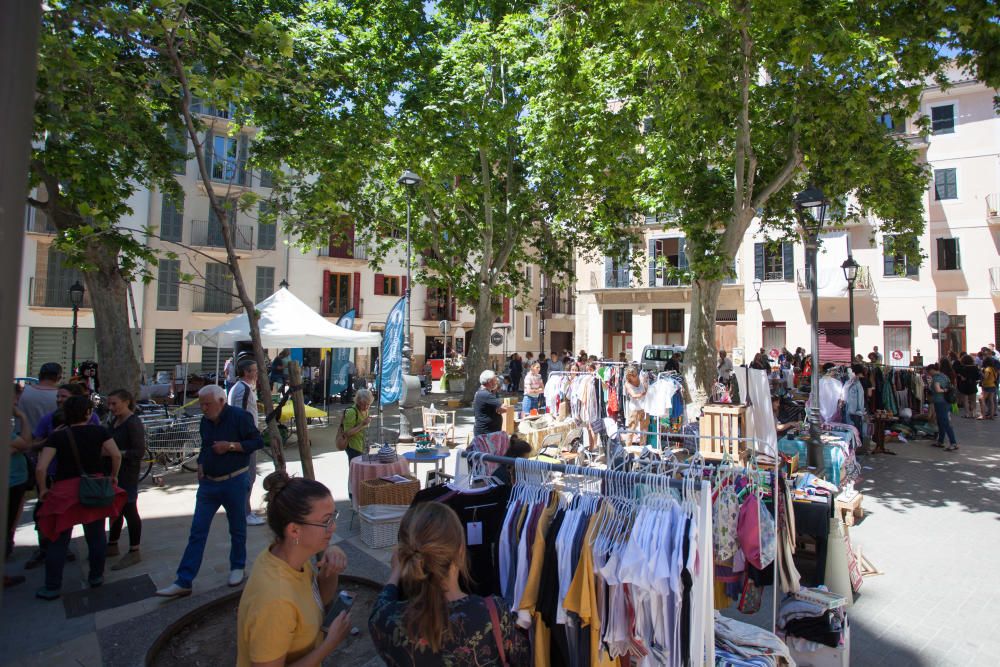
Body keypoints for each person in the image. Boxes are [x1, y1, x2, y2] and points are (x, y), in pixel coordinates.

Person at [369, 503, 529, 665]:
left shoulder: (387, 620)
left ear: (407, 556)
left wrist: (396, 571)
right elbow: (523, 659)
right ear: (460, 551)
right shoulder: (494, 613)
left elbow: (382, 603)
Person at [156, 384, 265, 597]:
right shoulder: (205, 421)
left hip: (234, 480)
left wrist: (231, 446)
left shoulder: (240, 417)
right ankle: (184, 580)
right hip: (209, 484)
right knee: (198, 530)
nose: (204, 408)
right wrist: (201, 464)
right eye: (201, 404)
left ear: (222, 402)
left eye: (207, 404)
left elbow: (257, 442)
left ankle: (237, 566)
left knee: (237, 528)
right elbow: (205, 445)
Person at [236, 472, 351, 666]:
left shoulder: (287, 557)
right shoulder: (276, 600)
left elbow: (318, 600)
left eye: (333, 517)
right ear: (294, 530)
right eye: (326, 521)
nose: (333, 527)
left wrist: (330, 570)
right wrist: (329, 644)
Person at [34, 395, 122, 599]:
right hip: (94, 487)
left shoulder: (58, 436)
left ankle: (52, 586)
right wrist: (114, 476)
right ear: (88, 413)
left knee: (58, 540)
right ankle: (96, 577)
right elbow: (116, 455)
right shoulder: (100, 431)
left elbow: (41, 467)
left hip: (65, 491)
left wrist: (42, 490)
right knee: (97, 535)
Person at [106, 389, 146, 570]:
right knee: (116, 510)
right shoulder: (114, 420)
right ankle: (112, 544)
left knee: (129, 509)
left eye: (114, 403)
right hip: (114, 473)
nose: (111, 407)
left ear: (127, 402)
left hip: (127, 473)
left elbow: (138, 452)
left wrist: (116, 454)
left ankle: (134, 550)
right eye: (110, 404)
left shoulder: (133, 423)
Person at [228, 361, 266, 527]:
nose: (257, 374)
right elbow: (240, 415)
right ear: (246, 372)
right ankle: (245, 513)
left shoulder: (243, 388)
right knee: (247, 477)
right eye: (254, 371)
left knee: (247, 477)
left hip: (244, 439)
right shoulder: (242, 389)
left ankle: (244, 510)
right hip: (245, 440)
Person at [18, 362, 61, 435]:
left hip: (20, 440)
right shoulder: (61, 397)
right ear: (58, 378)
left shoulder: (21, 393)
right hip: (48, 441)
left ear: (39, 375)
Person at [929, 363, 959, 451]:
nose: (928, 374)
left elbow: (937, 389)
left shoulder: (936, 378)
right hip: (946, 401)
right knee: (941, 422)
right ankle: (940, 441)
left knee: (944, 422)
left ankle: (953, 443)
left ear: (932, 370)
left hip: (940, 402)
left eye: (928, 372)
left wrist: (944, 390)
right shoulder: (944, 376)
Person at [340, 388, 373, 462]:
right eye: (363, 404)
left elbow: (365, 429)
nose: (365, 407)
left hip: (363, 445)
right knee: (356, 471)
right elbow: (346, 433)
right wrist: (362, 424)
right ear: (357, 401)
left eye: (368, 404)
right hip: (354, 447)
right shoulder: (352, 412)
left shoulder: (366, 410)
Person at [473, 370, 508, 436]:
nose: (496, 382)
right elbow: (505, 408)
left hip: (488, 432)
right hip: (486, 433)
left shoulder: (483, 392)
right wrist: (499, 409)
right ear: (490, 382)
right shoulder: (486, 394)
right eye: (495, 380)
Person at [623, 365, 649, 445]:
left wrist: (646, 383)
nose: (635, 376)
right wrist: (643, 394)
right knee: (632, 428)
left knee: (644, 429)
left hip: (644, 407)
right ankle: (628, 448)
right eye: (633, 375)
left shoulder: (641, 379)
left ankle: (642, 446)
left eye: (636, 374)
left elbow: (646, 388)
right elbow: (633, 395)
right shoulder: (627, 384)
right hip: (634, 409)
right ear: (629, 376)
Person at [843, 364, 867, 439]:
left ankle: (857, 445)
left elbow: (859, 397)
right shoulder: (857, 381)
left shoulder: (855, 381)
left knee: (855, 428)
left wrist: (860, 410)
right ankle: (859, 444)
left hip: (855, 409)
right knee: (859, 427)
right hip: (860, 407)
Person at [957, 354, 981, 419]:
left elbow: (962, 378)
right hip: (972, 385)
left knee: (965, 400)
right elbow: (978, 377)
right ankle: (973, 413)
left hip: (964, 385)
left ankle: (967, 414)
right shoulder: (975, 367)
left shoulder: (962, 368)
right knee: (973, 400)